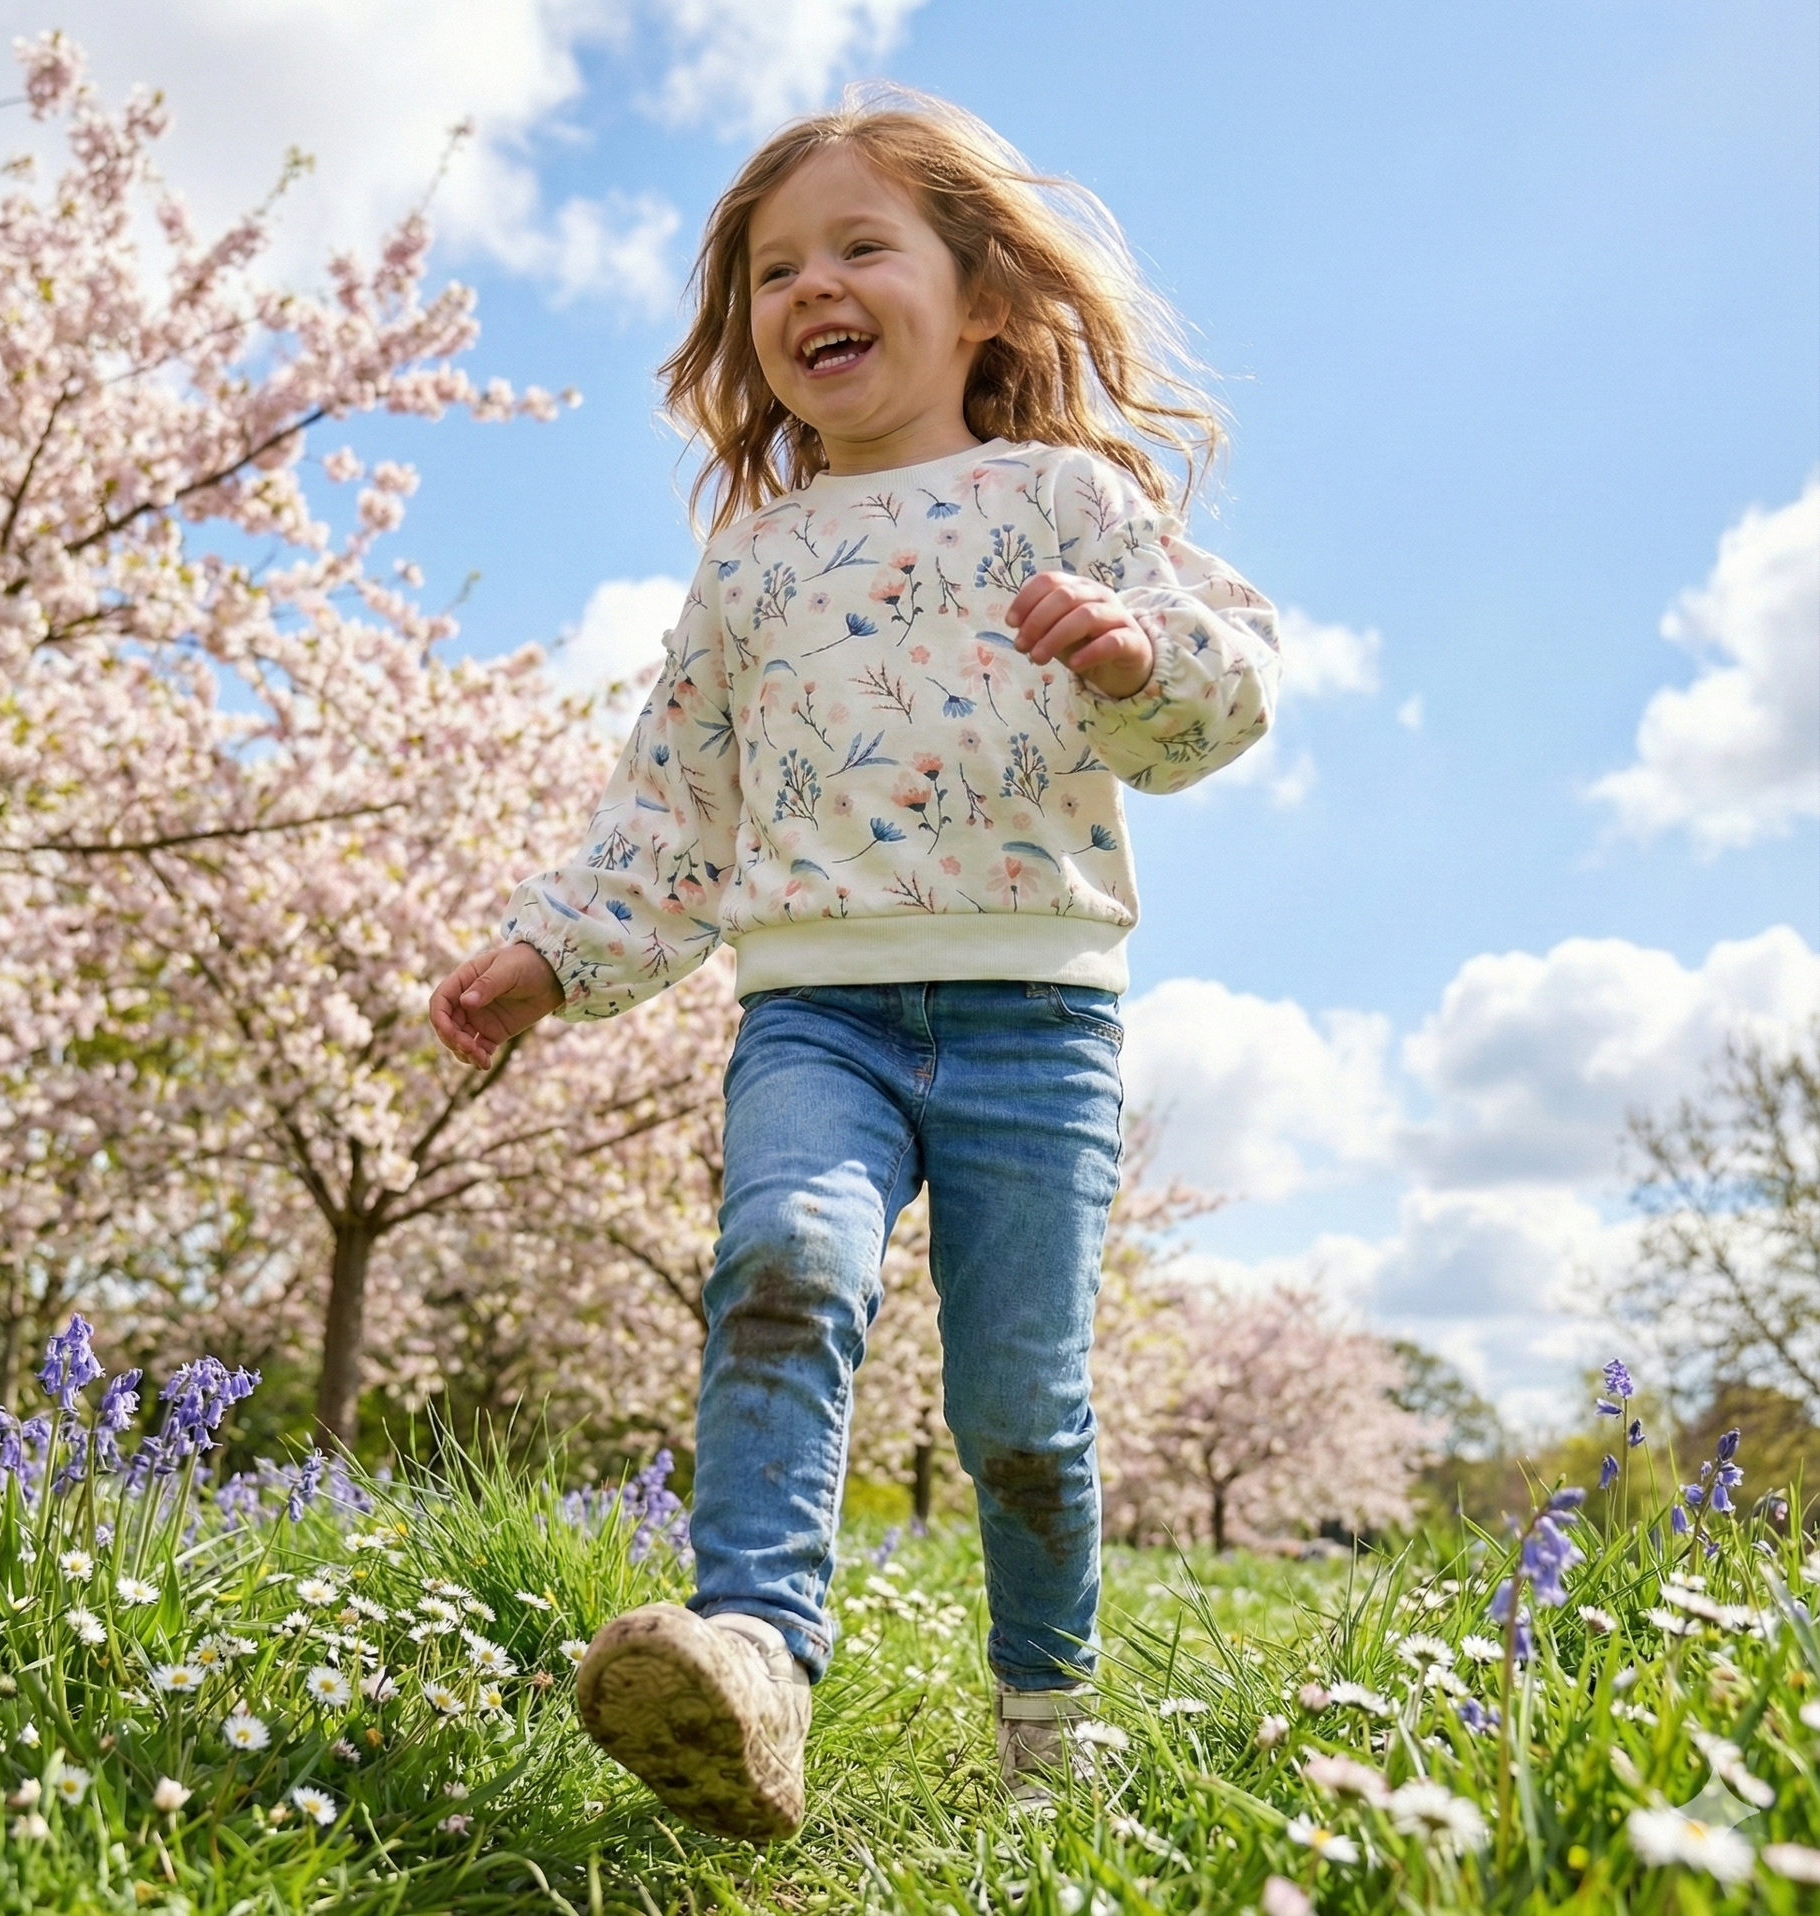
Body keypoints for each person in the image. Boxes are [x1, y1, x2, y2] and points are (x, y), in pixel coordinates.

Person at [429, 84, 1281, 1841]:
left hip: (1035, 1013)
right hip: (810, 1003)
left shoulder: (1058, 493)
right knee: (779, 1264)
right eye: (770, 269)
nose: (807, 285)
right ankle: (752, 1662)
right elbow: (671, 808)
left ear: (979, 298)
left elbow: (1225, 691)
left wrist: (1128, 653)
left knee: (1019, 1402)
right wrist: (546, 956)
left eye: (857, 247)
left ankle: (1048, 1721)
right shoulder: (753, 560)